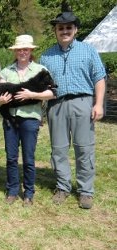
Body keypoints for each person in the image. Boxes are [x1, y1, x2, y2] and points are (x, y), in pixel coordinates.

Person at [40, 5, 106, 209]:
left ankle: (85, 191)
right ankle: (63, 187)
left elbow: (99, 78)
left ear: (75, 29)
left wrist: (98, 104)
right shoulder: (46, 56)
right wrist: (41, 111)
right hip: (56, 105)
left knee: (84, 148)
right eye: (61, 28)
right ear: (56, 31)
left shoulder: (89, 51)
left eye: (69, 27)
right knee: (58, 149)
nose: (65, 31)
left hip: (82, 103)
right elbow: (42, 86)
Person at [0, 35, 56, 207]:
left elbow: (52, 93)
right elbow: (0, 92)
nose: (22, 52)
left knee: (29, 158)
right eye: (19, 49)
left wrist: (33, 95)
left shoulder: (41, 70)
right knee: (11, 157)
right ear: (15, 52)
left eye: (26, 49)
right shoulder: (6, 72)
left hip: (30, 119)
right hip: (10, 118)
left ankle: (29, 193)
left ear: (31, 51)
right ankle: (12, 191)